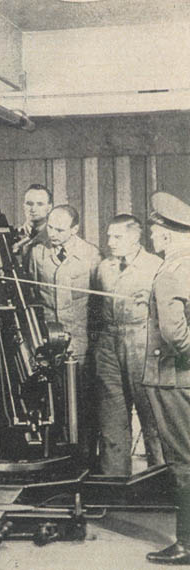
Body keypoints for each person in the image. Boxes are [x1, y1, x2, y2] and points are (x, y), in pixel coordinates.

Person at [27, 204, 101, 466]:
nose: (54, 233)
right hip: (48, 342)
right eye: (50, 227)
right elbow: (34, 299)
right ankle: (56, 459)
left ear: (75, 229)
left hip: (80, 342)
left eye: (60, 229)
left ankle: (86, 460)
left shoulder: (91, 255)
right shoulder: (37, 253)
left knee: (83, 402)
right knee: (52, 400)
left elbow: (97, 305)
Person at [95, 214, 164, 476]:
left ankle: (161, 484)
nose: (110, 242)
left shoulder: (155, 266)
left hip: (143, 342)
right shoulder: (104, 267)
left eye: (117, 237)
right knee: (112, 418)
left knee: (152, 417)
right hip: (109, 343)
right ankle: (115, 485)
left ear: (135, 237)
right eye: (109, 236)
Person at [143, 192, 190, 565]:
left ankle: (186, 545)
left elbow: (175, 336)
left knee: (183, 464)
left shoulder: (171, 272)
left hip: (173, 379)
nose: (152, 239)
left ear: (168, 234)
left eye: (155, 233)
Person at [13, 184, 52, 266]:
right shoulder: (13, 236)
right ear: (23, 206)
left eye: (40, 204)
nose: (33, 209)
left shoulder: (56, 238)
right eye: (29, 204)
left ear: (49, 208)